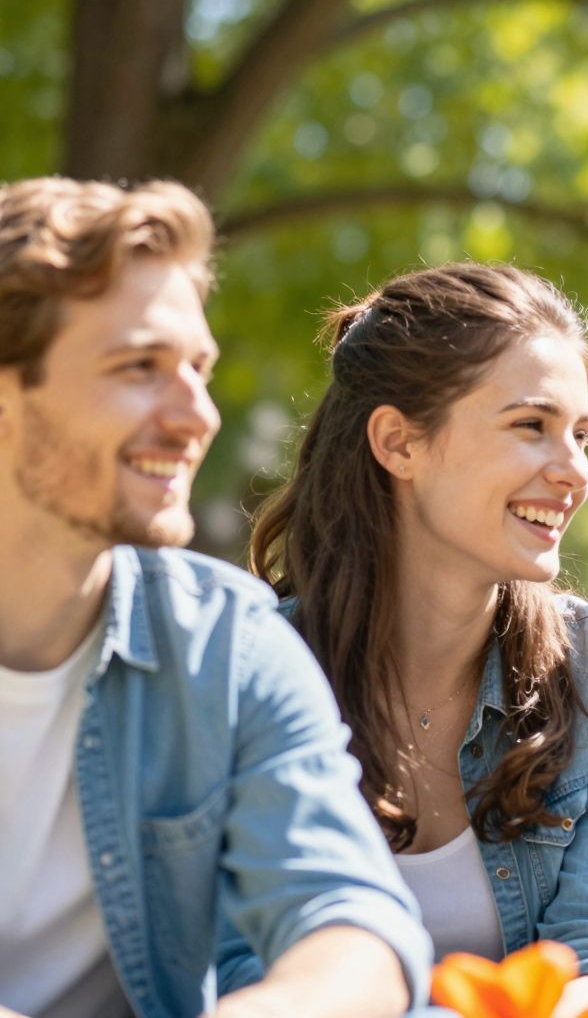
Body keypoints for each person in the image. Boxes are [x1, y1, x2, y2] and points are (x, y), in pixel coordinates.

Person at [0, 178, 427, 1018]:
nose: (198, 416)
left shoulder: (224, 642)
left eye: (197, 369)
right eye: (139, 368)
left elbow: (358, 925)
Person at [217, 262, 588, 1018]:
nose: (574, 471)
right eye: (531, 426)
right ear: (399, 442)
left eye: (581, 434)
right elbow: (236, 964)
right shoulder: (248, 670)